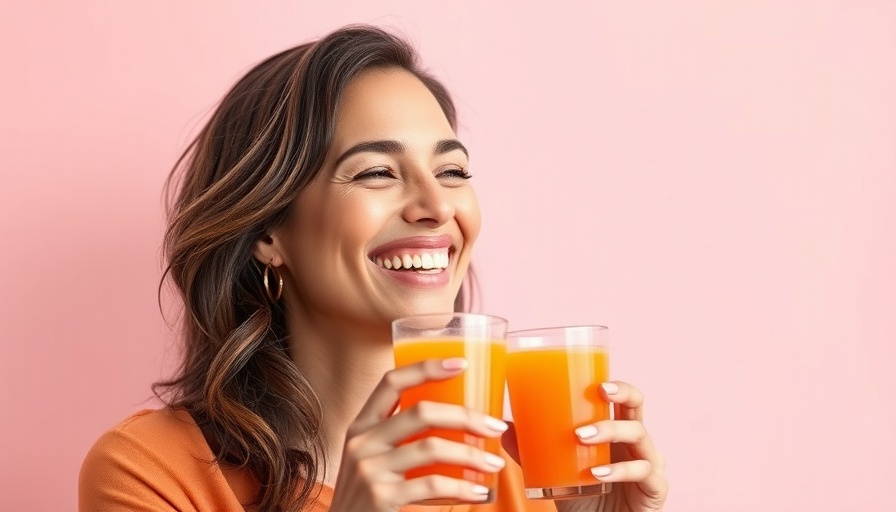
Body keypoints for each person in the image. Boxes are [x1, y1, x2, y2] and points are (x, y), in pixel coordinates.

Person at [79, 24, 668, 511]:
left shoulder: (514, 472)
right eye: (376, 172)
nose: (437, 207)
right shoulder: (152, 471)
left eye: (453, 172)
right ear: (267, 233)